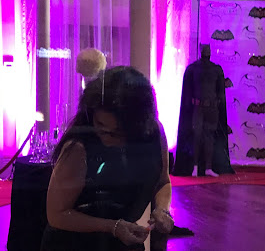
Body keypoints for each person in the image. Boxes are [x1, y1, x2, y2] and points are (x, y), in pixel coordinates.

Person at [40, 66, 174, 251]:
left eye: (117, 132)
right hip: (75, 244)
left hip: (123, 240)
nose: (105, 135)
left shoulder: (154, 133)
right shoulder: (79, 148)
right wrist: (113, 226)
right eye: (100, 124)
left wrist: (161, 209)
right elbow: (57, 215)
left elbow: (162, 182)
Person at [181, 44, 225, 177]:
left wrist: (218, 104)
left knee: (209, 136)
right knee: (197, 135)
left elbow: (220, 91)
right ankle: (195, 167)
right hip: (198, 107)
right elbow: (188, 90)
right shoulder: (193, 68)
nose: (207, 51)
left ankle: (208, 167)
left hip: (211, 108)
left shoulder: (216, 69)